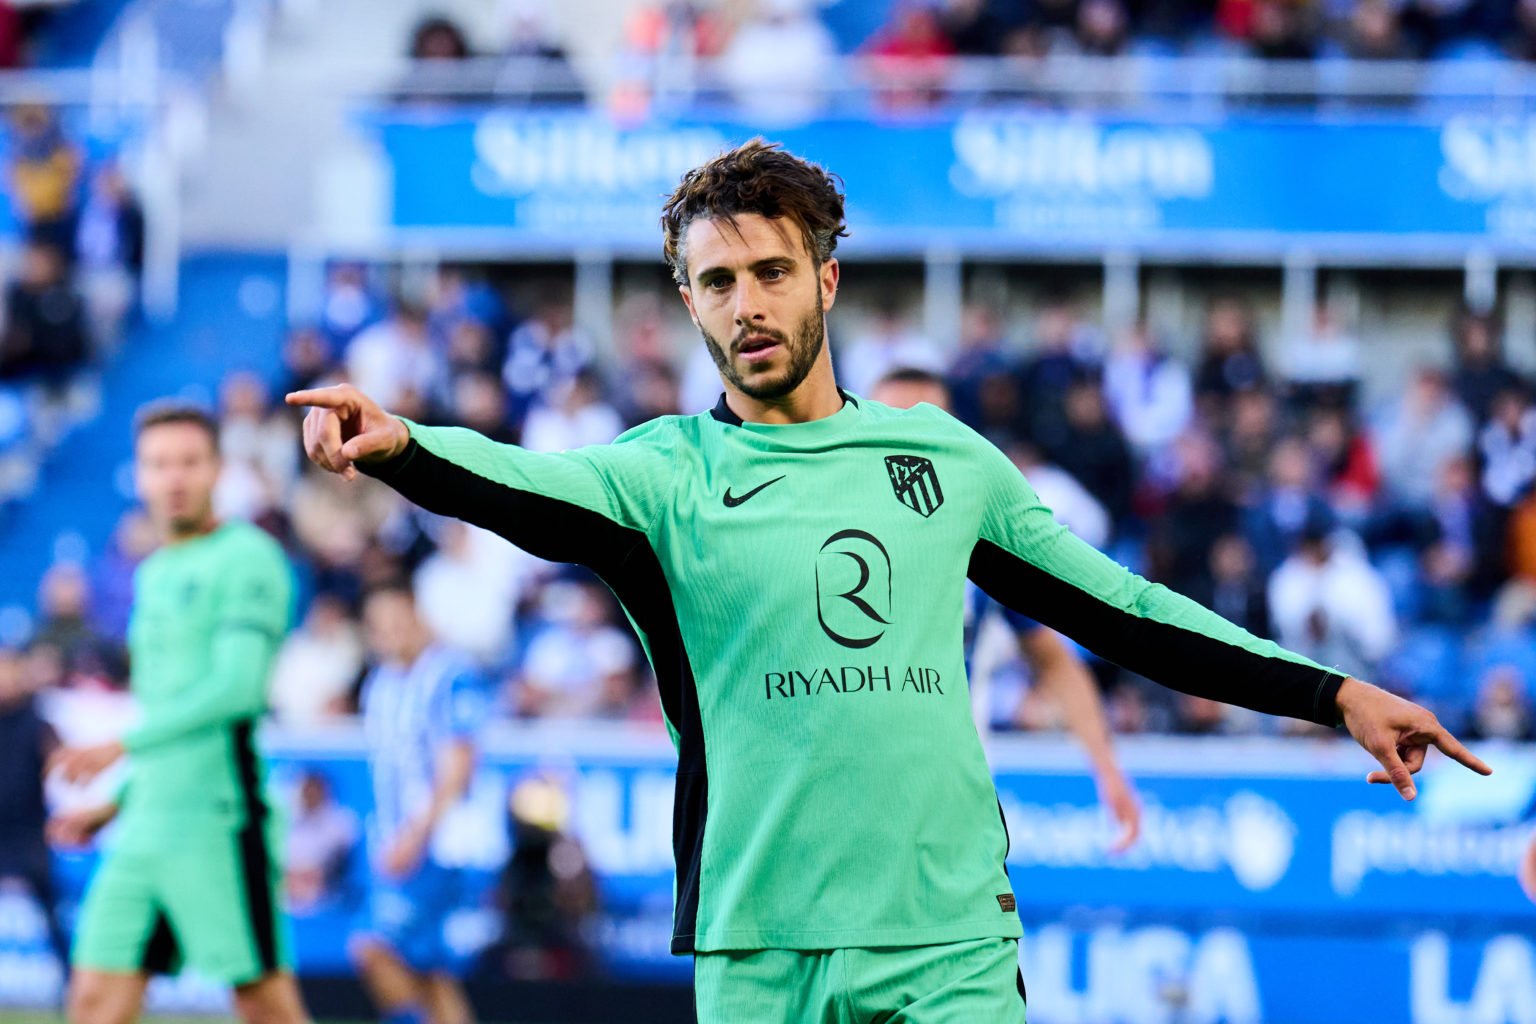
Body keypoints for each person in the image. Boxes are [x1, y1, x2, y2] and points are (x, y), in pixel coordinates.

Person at [289, 139, 1492, 1023]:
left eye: (769, 270)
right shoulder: (662, 474)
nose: (746, 305)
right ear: (687, 302)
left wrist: (1334, 694)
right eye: (717, 283)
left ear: (826, 280)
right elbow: (522, 484)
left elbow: (1121, 609)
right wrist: (405, 445)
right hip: (759, 947)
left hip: (948, 936)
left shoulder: (945, 457)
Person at [45, 402, 307, 1024]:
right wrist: (121, 799)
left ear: (217, 469)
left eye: (190, 461)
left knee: (264, 1006)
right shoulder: (155, 572)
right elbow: (173, 707)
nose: (175, 478)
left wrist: (121, 746)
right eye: (159, 464)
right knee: (92, 1000)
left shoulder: (248, 556)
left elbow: (237, 688)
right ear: (139, 476)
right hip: (144, 826)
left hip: (219, 823)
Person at [871, 367, 1139, 852]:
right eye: (888, 420)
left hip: (952, 808)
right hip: (851, 804)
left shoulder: (980, 546)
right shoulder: (823, 546)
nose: (903, 440)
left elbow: (1056, 662)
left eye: (922, 422)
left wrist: (1107, 771)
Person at [353, 583, 495, 1024]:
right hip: (403, 839)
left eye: (398, 621)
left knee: (373, 948)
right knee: (431, 975)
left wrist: (416, 835)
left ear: (417, 618)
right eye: (380, 626)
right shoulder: (379, 685)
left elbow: (458, 763)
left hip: (440, 845)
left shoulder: (450, 676)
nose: (390, 633)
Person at [0, 645, 70, 979]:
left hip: (28, 831)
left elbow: (61, 761)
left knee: (52, 917)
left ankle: (73, 986)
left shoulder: (36, 721)